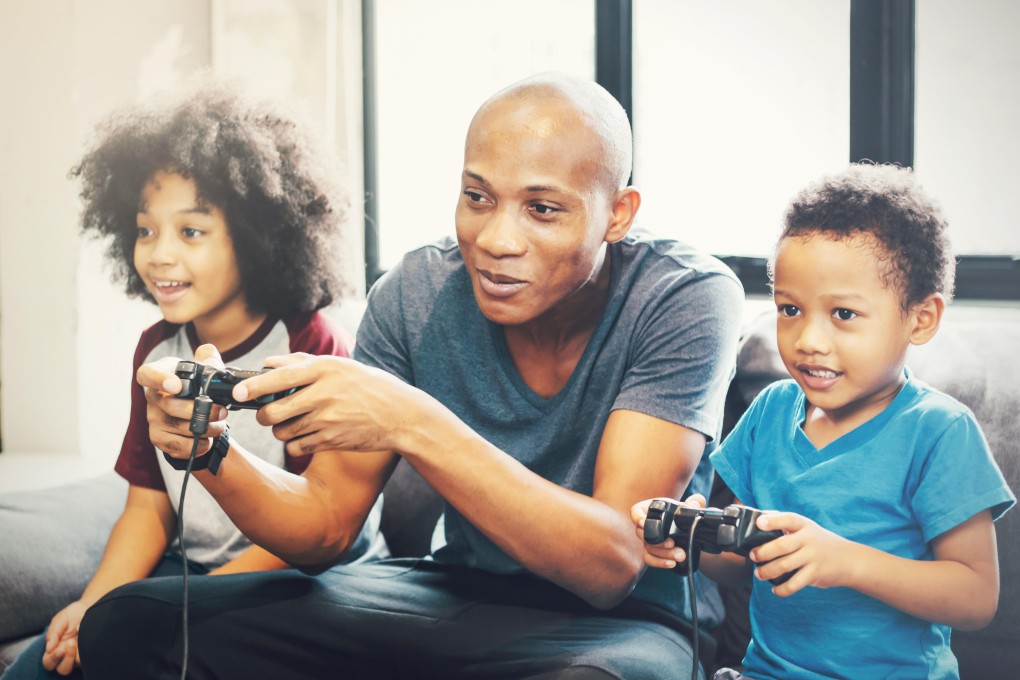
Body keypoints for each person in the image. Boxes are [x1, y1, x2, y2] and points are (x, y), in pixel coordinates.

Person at [77, 72, 744, 680]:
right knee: (133, 622)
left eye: (542, 209)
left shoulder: (685, 296)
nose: (495, 239)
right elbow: (325, 528)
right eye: (477, 197)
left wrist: (409, 419)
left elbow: (611, 565)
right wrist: (211, 452)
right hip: (451, 593)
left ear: (619, 214)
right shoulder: (414, 292)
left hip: (622, 626)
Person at [5, 76, 385, 680]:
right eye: (145, 229)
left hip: (298, 582)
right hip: (192, 574)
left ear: (259, 238)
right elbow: (149, 508)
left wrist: (163, 609)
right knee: (40, 667)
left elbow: (317, 531)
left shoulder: (311, 344)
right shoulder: (156, 350)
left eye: (191, 231)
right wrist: (93, 603)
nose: (159, 254)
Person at [633, 163, 1016, 679]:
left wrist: (846, 562)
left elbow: (974, 596)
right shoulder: (770, 411)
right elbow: (745, 562)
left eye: (843, 314)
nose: (808, 339)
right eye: (790, 310)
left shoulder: (939, 431)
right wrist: (693, 542)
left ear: (919, 319)